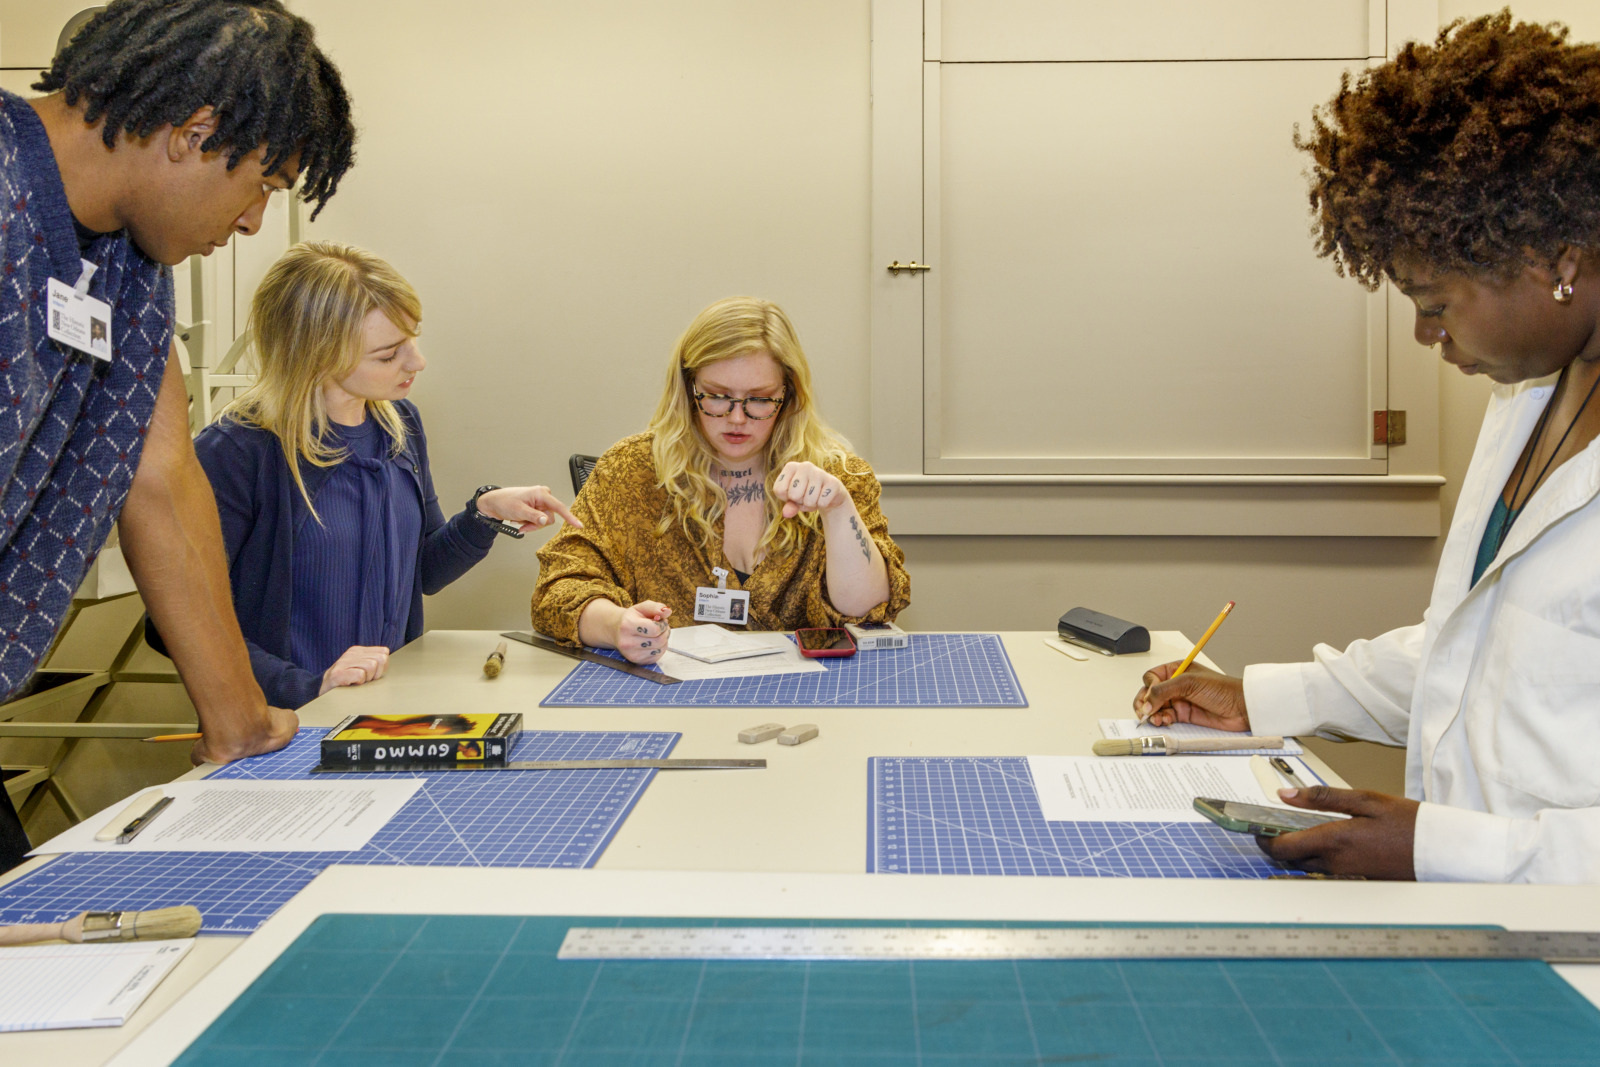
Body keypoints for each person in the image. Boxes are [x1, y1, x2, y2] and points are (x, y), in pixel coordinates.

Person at [1134, 13, 1600, 883]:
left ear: (1557, 259)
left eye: (1435, 299)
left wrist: (1438, 848)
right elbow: (1471, 654)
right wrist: (1267, 698)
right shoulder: (1530, 396)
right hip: (1480, 941)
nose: (1425, 334)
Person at [0, 0, 355, 870]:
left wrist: (238, 719)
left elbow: (159, 472)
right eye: (263, 186)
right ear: (193, 134)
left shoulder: (129, 262)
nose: (250, 224)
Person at [161, 242, 579, 708]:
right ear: (314, 355)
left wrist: (482, 515)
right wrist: (307, 686)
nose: (416, 363)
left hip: (382, 708)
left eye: (412, 342)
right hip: (282, 725)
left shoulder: (399, 426)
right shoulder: (239, 453)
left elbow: (423, 573)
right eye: (387, 355)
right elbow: (173, 624)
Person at [534, 297, 909, 661]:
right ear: (687, 389)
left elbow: (872, 611)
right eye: (716, 396)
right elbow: (557, 591)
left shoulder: (837, 475)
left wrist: (838, 510)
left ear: (789, 395)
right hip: (668, 698)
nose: (737, 418)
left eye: (760, 400)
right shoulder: (631, 470)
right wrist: (616, 624)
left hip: (808, 698)